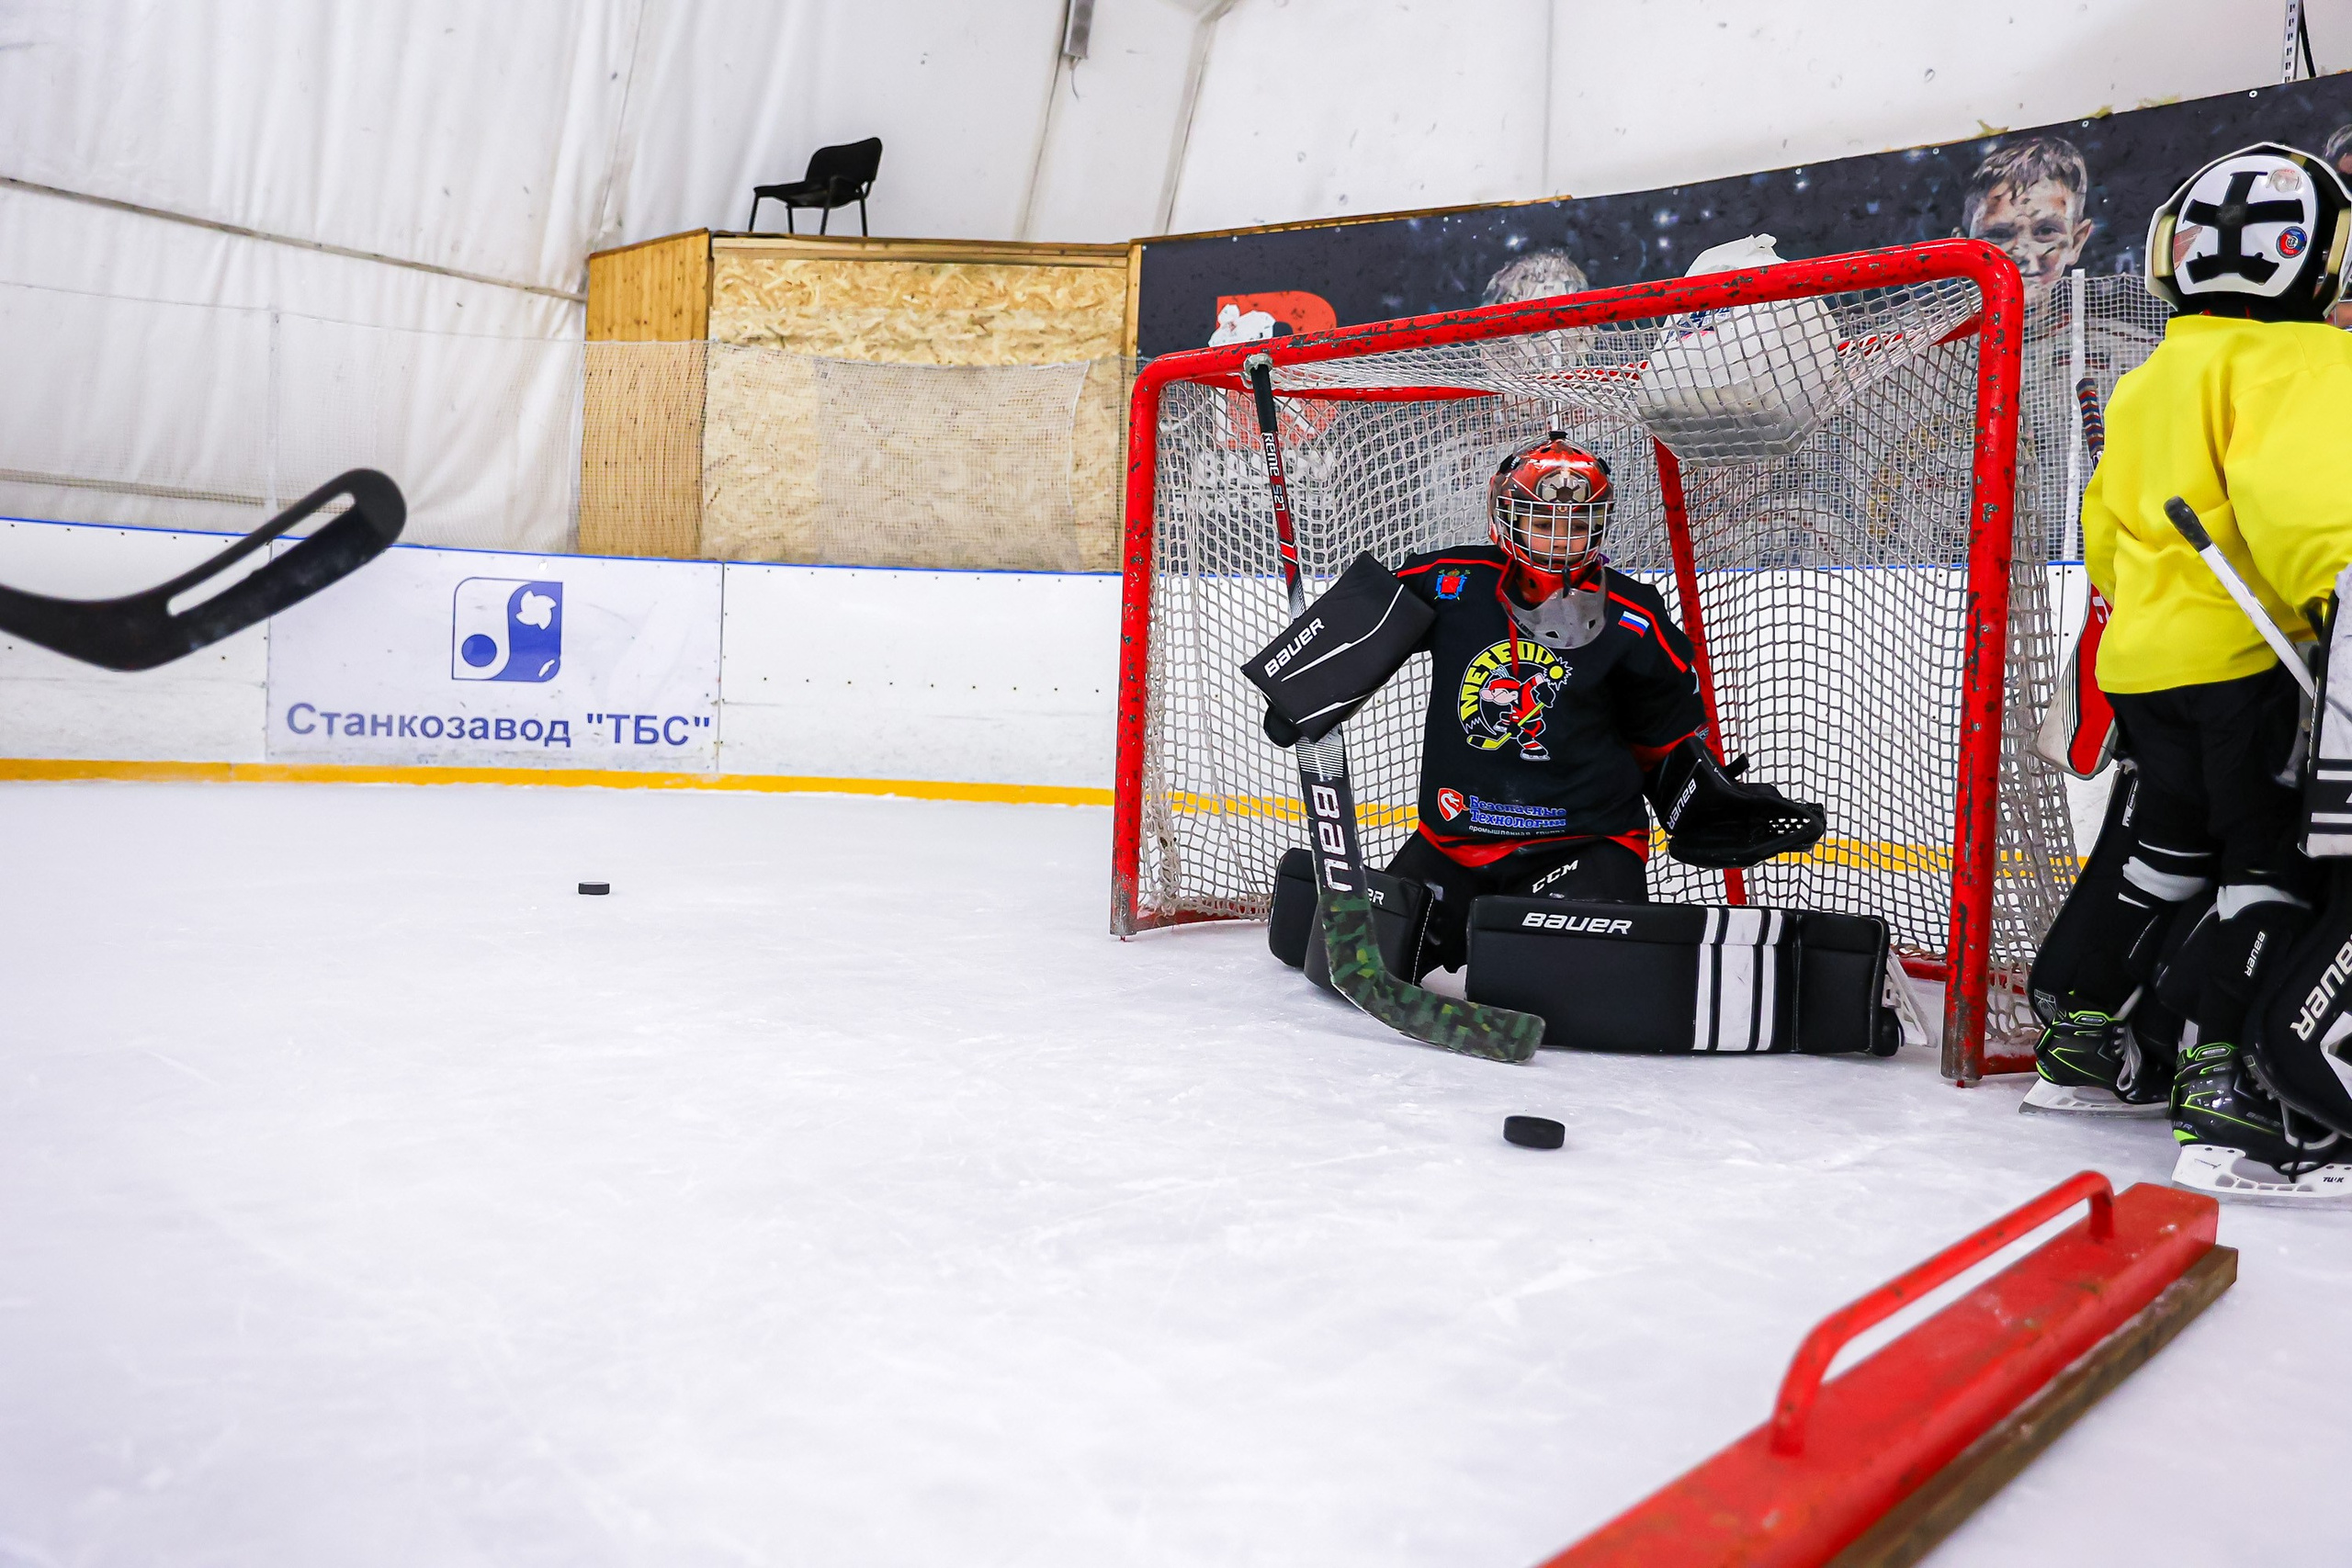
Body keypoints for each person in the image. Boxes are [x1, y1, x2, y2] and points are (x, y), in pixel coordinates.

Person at [2039, 142, 2352, 1175]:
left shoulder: (2150, 377)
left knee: (2164, 852)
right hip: (2250, 665)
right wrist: (2340, 587)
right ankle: (2224, 1079)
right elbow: (2304, 506)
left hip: (2148, 668)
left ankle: (2084, 1032)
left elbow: (2104, 536)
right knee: (2267, 865)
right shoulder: (2307, 362)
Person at [1347, 435, 1821, 978]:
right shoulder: (1451, 581)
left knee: (1560, 985)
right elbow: (1354, 631)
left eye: (1577, 524)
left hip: (1582, 845)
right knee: (1354, 961)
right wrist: (1304, 681)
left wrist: (1701, 804)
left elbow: (1663, 741)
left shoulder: (1635, 617)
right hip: (1454, 842)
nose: (1560, 539)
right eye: (1542, 522)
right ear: (1506, 518)